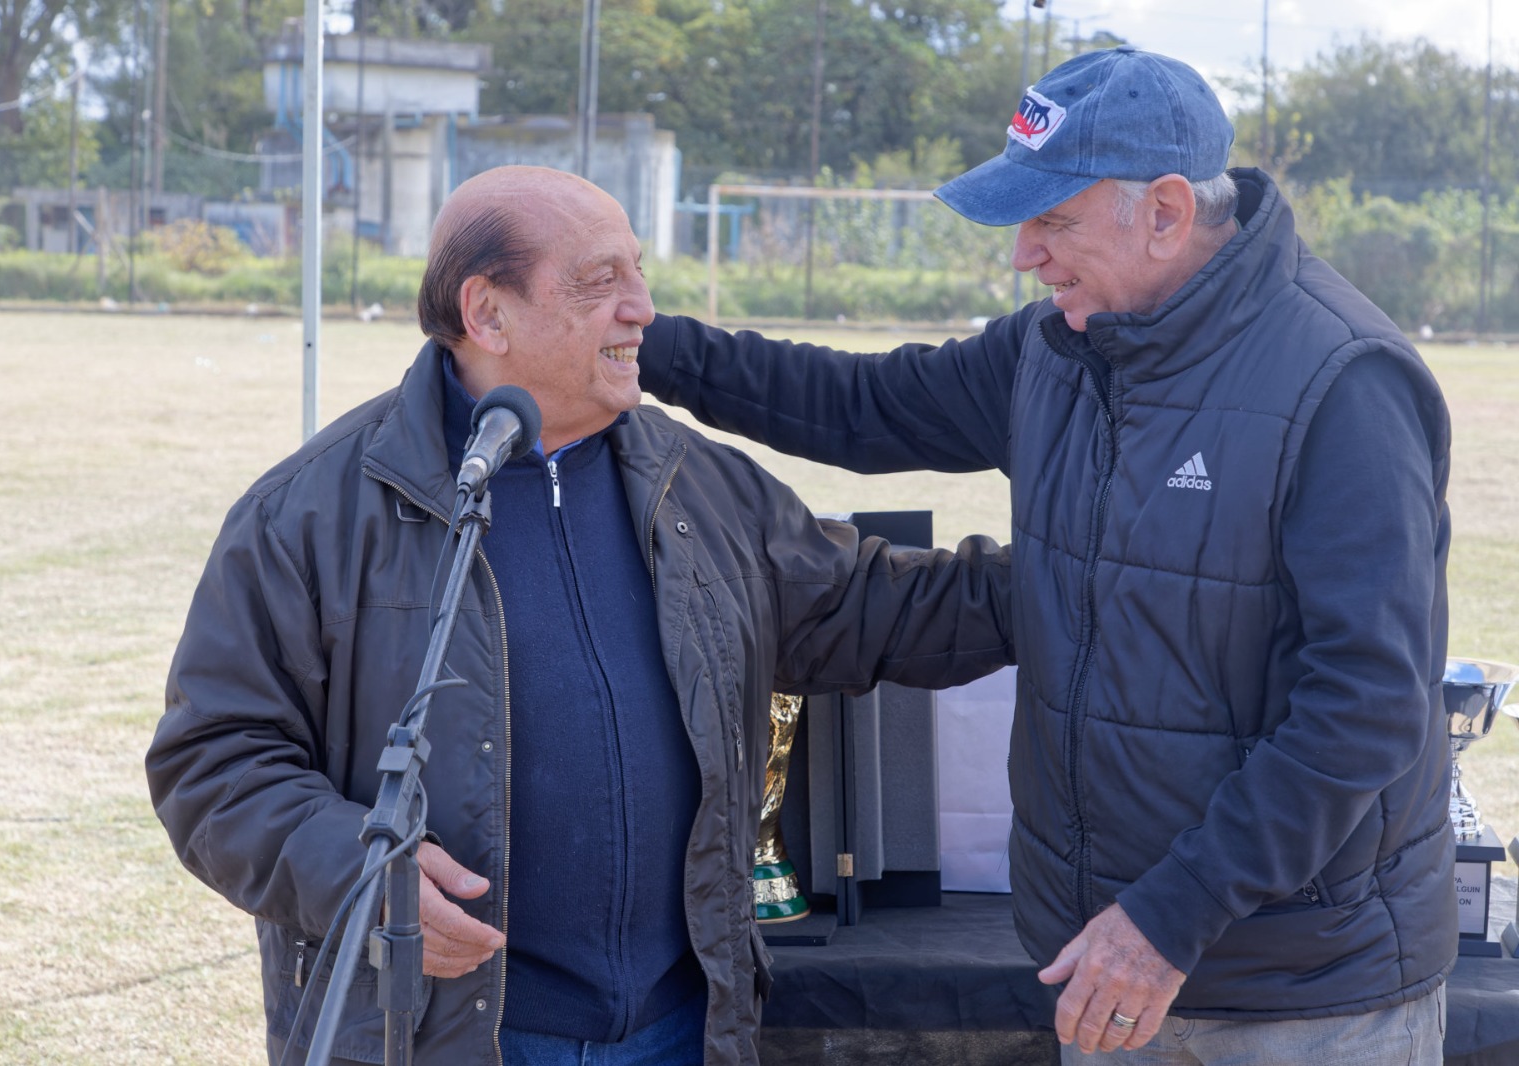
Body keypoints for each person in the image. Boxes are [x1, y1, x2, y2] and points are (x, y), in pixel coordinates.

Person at [634, 46, 1454, 1066]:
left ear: (1163, 211)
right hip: (1107, 970)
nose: (1027, 253)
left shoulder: (1342, 383)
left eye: (1053, 219)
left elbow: (1364, 708)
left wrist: (1164, 919)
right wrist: (642, 346)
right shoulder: (1056, 351)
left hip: (1298, 1000)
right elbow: (857, 404)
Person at [146, 165, 1015, 1066]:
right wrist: (352, 871)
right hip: (440, 1036)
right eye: (601, 282)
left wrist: (1096, 574)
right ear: (488, 314)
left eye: (638, 273)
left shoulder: (698, 482)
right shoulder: (310, 513)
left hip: (684, 1031)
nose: (642, 308)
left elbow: (880, 607)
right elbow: (211, 761)